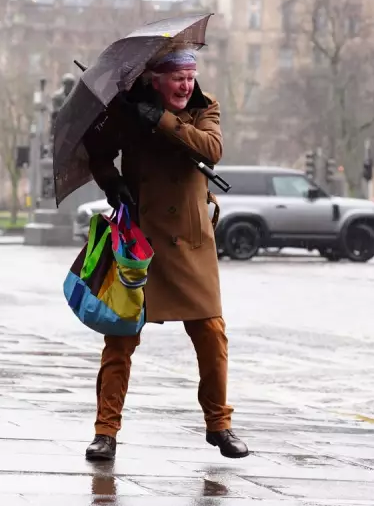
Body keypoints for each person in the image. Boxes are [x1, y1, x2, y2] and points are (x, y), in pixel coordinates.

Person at [81, 43, 249, 460]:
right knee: (119, 340)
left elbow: (210, 149)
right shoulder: (127, 109)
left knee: (211, 335)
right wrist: (110, 181)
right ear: (155, 80)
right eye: (177, 78)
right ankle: (105, 432)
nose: (186, 84)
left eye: (190, 77)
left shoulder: (206, 108)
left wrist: (161, 119)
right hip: (142, 240)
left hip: (191, 241)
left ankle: (219, 424)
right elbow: (96, 149)